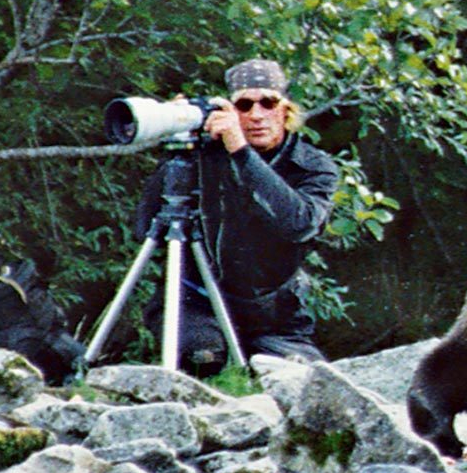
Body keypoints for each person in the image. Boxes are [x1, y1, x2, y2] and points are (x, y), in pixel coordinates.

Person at [132, 58, 341, 376]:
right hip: (198, 303)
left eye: (267, 103)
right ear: (231, 110)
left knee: (308, 382)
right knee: (203, 359)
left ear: (285, 110)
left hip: (274, 316)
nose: (256, 115)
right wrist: (176, 146)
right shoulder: (204, 156)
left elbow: (299, 223)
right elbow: (145, 225)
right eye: (244, 105)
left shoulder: (313, 166)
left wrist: (240, 151)